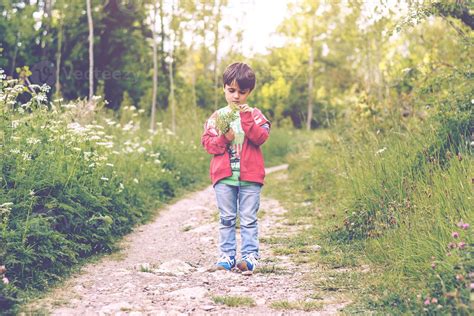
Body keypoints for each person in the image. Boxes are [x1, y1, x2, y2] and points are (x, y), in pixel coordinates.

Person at [201, 62, 271, 275]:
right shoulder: (217, 117)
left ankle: (250, 256)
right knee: (227, 218)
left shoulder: (256, 115)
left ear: (249, 92)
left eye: (242, 92)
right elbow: (208, 144)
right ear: (224, 88)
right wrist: (224, 138)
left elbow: (261, 138)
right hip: (224, 177)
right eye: (231, 90)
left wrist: (247, 119)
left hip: (250, 177)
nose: (236, 96)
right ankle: (226, 256)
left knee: (248, 217)